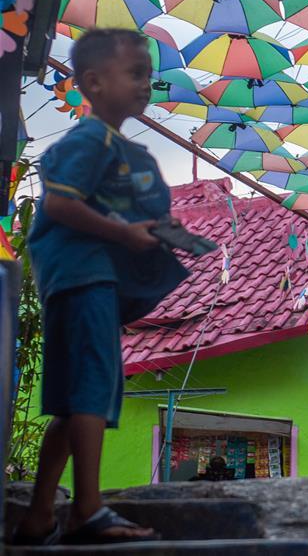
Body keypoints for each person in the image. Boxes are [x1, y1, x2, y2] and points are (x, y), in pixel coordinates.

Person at [14, 28, 189, 546]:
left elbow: (123, 210)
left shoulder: (123, 151)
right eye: (135, 73)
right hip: (82, 277)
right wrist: (123, 233)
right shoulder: (86, 141)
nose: (145, 84)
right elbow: (62, 206)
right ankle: (88, 510)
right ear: (92, 81)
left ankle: (40, 514)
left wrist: (161, 235)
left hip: (97, 282)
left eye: (148, 76)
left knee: (76, 401)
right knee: (90, 391)